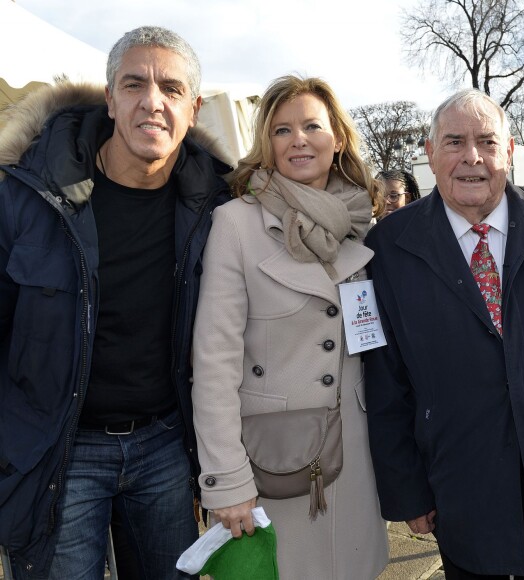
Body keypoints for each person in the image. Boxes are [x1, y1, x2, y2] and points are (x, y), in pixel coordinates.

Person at [0, 26, 232, 579]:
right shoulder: (27, 196)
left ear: (193, 109)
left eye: (171, 89)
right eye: (134, 84)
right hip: (57, 451)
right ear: (109, 99)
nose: (153, 102)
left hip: (165, 448)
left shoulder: (218, 206)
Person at [364, 88, 524, 579]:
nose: (472, 158)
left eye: (486, 141)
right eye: (455, 142)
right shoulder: (388, 248)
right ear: (429, 153)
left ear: (509, 151)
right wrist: (407, 490)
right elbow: (385, 379)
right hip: (463, 491)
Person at [191, 75, 389, 579]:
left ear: (337, 138)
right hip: (274, 465)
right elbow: (213, 362)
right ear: (267, 144)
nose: (297, 139)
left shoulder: (359, 220)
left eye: (311, 126)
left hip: (356, 458)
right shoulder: (235, 223)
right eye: (281, 130)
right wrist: (227, 481)